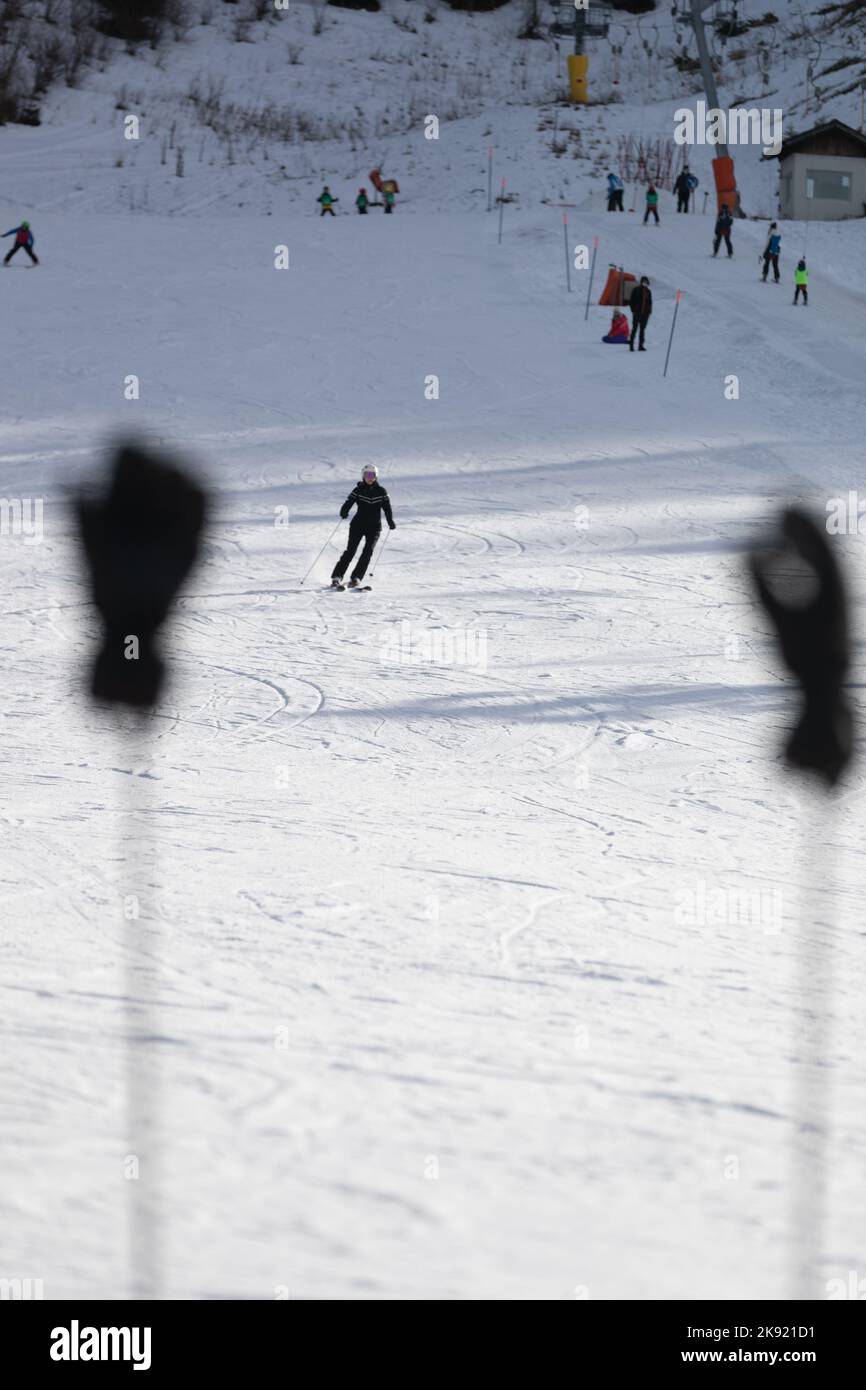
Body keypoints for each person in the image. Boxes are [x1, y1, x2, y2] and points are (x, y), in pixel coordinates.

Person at [331, 465, 396, 587]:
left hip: (374, 527)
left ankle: (356, 577)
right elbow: (348, 502)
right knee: (350, 551)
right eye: (367, 475)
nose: (369, 478)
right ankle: (337, 577)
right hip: (358, 525)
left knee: (368, 552)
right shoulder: (358, 490)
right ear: (363, 476)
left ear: (376, 476)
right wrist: (344, 511)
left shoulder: (382, 491)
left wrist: (390, 521)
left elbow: (387, 508)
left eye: (372, 475)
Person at [628, 276, 652, 352]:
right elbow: (631, 301)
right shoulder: (636, 290)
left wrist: (649, 312)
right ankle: (631, 346)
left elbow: (650, 303)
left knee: (642, 330)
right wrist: (633, 310)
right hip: (637, 313)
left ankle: (640, 346)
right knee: (634, 329)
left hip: (645, 314)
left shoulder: (648, 291)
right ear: (641, 282)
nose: (645, 283)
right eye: (644, 282)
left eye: (646, 282)